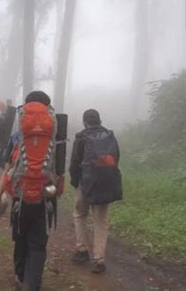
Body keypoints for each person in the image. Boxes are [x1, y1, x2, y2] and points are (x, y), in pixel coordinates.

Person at [0, 91, 62, 291]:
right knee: (38, 242)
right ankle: (35, 284)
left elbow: (9, 166)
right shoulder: (55, 130)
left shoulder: (18, 130)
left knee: (20, 237)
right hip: (45, 194)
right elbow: (59, 166)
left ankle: (20, 277)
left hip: (20, 194)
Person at [69, 109, 122, 274]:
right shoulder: (110, 136)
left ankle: (82, 251)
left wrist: (75, 183)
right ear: (100, 120)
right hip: (105, 184)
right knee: (101, 222)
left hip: (85, 185)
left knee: (79, 215)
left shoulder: (81, 137)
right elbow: (116, 159)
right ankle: (99, 260)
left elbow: (74, 163)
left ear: (85, 122)